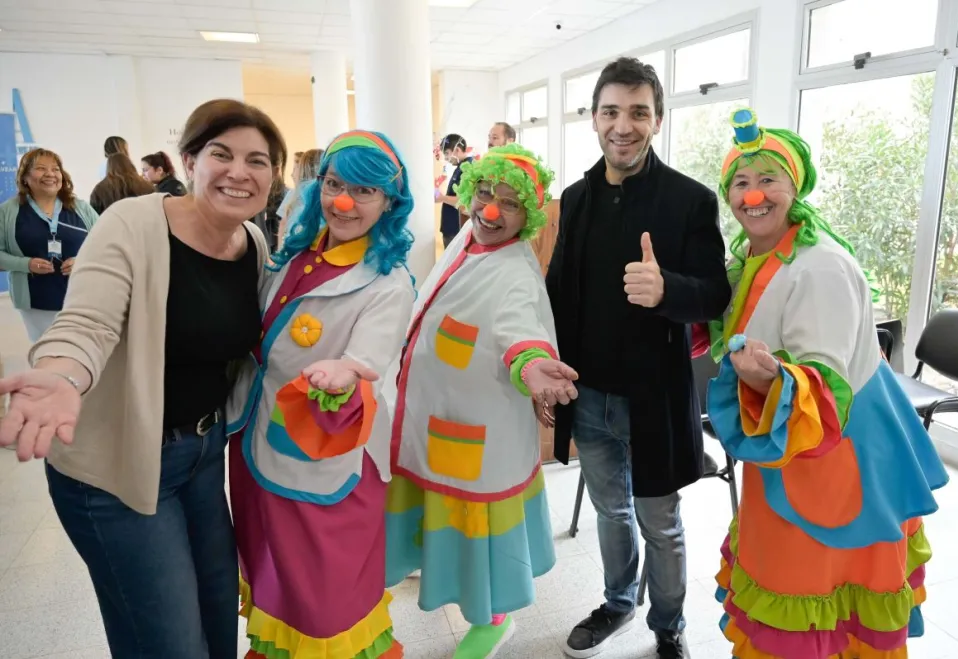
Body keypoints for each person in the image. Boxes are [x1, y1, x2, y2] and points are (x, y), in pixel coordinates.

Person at [0, 99, 285, 659]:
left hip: (202, 457)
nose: (239, 172)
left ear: (272, 176)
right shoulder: (132, 223)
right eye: (221, 154)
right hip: (120, 465)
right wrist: (60, 375)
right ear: (189, 162)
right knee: (169, 644)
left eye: (257, 161)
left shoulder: (251, 243)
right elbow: (88, 320)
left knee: (218, 623)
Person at [702, 108, 948, 659]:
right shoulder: (754, 256)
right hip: (785, 440)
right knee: (793, 582)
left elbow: (824, 378)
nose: (753, 195)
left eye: (768, 179)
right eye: (741, 183)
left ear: (796, 187)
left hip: (833, 450)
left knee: (813, 585)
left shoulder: (820, 266)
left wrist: (774, 377)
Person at [545, 57, 732, 659]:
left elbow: (716, 293)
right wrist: (543, 365)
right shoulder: (576, 199)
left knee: (661, 522)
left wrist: (667, 289)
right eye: (611, 112)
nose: (622, 126)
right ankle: (618, 603)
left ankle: (669, 625)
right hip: (588, 394)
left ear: (657, 120)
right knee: (611, 512)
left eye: (638, 112)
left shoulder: (690, 200)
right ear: (594, 118)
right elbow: (557, 290)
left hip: (654, 398)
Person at [228, 129, 414, 659]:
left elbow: (369, 359)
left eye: (365, 191)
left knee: (325, 591)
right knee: (274, 569)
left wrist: (346, 370)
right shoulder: (294, 254)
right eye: (334, 185)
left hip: (325, 453)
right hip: (257, 442)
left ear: (390, 203)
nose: (344, 202)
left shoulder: (387, 282)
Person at [388, 143, 578, 659]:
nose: (491, 210)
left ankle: (493, 621)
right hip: (438, 416)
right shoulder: (467, 239)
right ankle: (443, 573)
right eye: (485, 194)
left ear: (527, 215)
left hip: (473, 428)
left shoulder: (514, 270)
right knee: (441, 512)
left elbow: (520, 328)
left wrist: (531, 364)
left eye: (509, 204)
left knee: (477, 526)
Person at [0, 148, 99, 342]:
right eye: (41, 168)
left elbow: (105, 246)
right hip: (36, 303)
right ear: (25, 177)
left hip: (82, 300)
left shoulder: (80, 208)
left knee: (82, 352)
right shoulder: (8, 211)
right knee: (48, 351)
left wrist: (82, 261)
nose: (50, 174)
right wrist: (26, 264)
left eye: (55, 169)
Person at [276, 147, 323, 249]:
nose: (292, 174)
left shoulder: (299, 196)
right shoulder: (293, 194)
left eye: (296, 168)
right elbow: (283, 224)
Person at [435, 133, 472, 248]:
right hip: (450, 228)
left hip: (456, 229)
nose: (446, 158)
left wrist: (441, 198)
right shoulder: (460, 167)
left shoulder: (468, 168)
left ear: (457, 150)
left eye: (447, 153)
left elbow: (464, 201)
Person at [90, 152, 156, 214]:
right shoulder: (147, 186)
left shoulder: (99, 190)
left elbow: (95, 217)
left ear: (108, 168)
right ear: (131, 165)